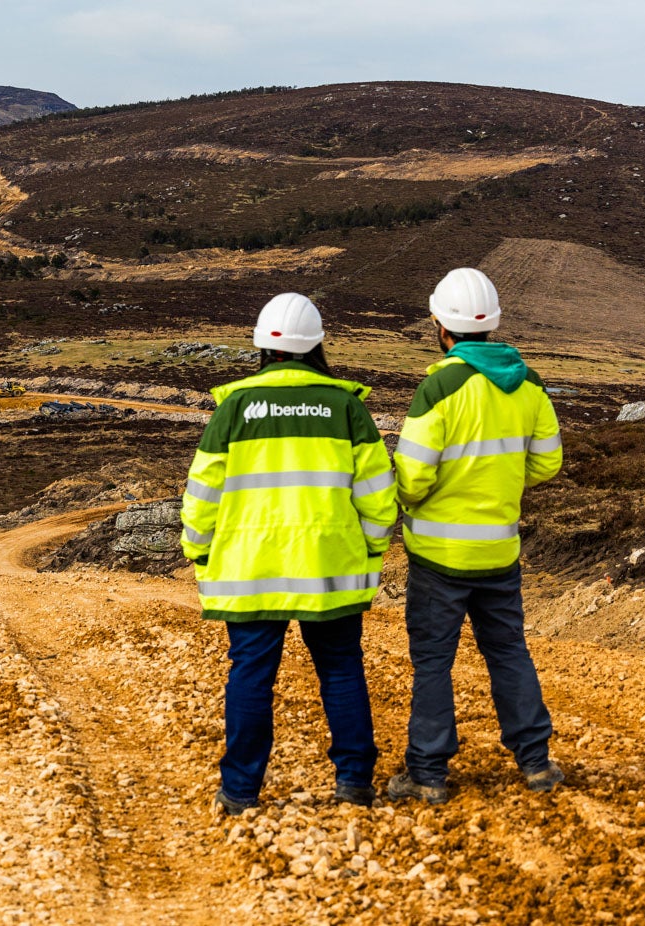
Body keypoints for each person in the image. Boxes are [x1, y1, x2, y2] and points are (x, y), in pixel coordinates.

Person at [181, 293, 398, 814]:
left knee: (251, 675)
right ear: (318, 344)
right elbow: (377, 497)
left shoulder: (234, 407)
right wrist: (370, 550)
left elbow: (202, 495)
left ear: (262, 347)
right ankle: (354, 783)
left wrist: (200, 552)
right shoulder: (347, 407)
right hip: (330, 566)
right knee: (342, 669)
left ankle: (240, 792)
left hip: (250, 569)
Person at [388, 267, 565, 805]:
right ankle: (535, 762)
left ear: (441, 325)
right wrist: (503, 484)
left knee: (434, 662)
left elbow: (413, 477)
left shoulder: (439, 387)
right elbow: (548, 462)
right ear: (491, 325)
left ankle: (428, 772)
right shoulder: (529, 384)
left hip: (439, 556)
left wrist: (417, 499)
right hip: (499, 550)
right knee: (508, 651)